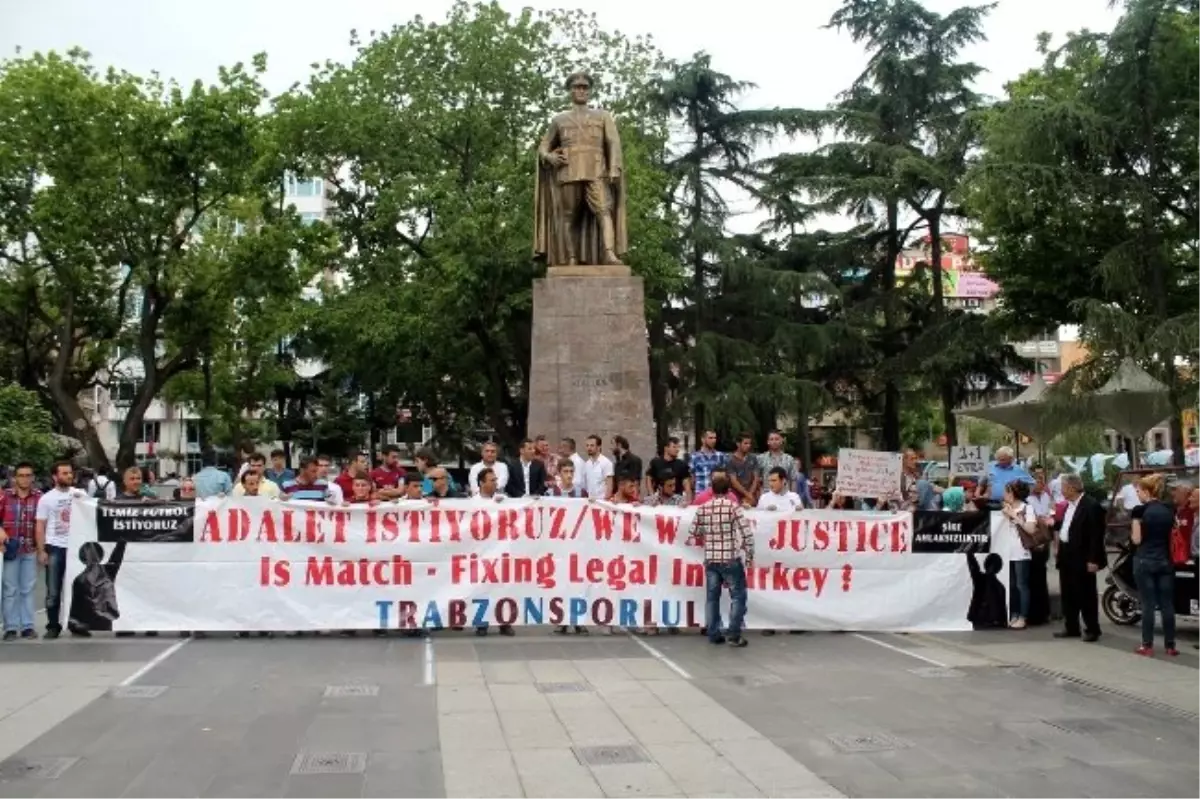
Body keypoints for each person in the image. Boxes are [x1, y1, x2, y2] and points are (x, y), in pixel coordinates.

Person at [687, 474, 754, 648]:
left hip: (711, 559)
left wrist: (708, 534)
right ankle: (733, 634)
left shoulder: (703, 508)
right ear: (729, 490)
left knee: (712, 598)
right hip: (730, 557)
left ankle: (713, 633)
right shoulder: (733, 507)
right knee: (738, 596)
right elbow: (746, 533)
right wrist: (750, 556)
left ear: (712, 490)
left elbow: (693, 531)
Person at [1053, 473, 1107, 642]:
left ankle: (1092, 628)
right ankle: (1071, 626)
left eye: (1063, 487)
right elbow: (1066, 526)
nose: (1061, 490)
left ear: (1072, 487)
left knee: (1086, 593)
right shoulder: (1069, 505)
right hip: (1067, 553)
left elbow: (1096, 535)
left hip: (1083, 556)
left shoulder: (1090, 505)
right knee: (1068, 592)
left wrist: (1093, 559)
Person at [1129, 474, 1178, 656]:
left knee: (1148, 604)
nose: (1138, 494)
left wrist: (1135, 520)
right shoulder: (1169, 509)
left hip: (1144, 561)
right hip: (1165, 560)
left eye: (1139, 490)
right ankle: (1170, 645)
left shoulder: (1140, 511)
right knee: (1167, 604)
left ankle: (1147, 645)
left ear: (1147, 492)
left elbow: (1136, 539)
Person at [35, 461, 83, 639]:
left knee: (78, 588)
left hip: (77, 547)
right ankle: (53, 625)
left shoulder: (80, 494)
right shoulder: (46, 499)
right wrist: (41, 550)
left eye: (70, 473)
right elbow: (40, 525)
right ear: (55, 476)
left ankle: (77, 623)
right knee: (53, 590)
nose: (69, 476)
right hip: (55, 547)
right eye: (64, 473)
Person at [1, 462, 41, 641]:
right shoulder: (5, 497)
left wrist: (42, 548)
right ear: (14, 478)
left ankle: (27, 626)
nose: (25, 479)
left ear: (32, 478)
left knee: (27, 588)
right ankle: (10, 627)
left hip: (30, 548)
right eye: (21, 475)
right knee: (10, 589)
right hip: (10, 549)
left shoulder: (39, 497)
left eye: (28, 475)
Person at [67, 541, 126, 636]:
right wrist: (123, 541)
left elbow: (75, 609)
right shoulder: (108, 572)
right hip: (105, 623)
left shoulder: (79, 580)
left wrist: (72, 625)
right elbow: (117, 556)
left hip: (87, 626)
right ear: (101, 556)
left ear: (82, 558)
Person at [999, 481, 1034, 629]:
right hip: (1007, 552)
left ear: (1013, 493)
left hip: (1021, 551)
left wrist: (1014, 516)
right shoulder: (1004, 508)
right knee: (1011, 585)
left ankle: (1023, 616)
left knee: (1021, 585)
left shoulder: (1027, 508)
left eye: (1007, 492)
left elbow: (1031, 529)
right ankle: (1013, 613)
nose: (1004, 495)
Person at [726, 433, 760, 505]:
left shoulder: (753, 458)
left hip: (752, 495)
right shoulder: (731, 460)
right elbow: (734, 482)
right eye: (745, 443)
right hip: (736, 496)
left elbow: (756, 478)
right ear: (738, 444)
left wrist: (750, 494)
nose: (748, 446)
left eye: (749, 443)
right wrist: (747, 494)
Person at [689, 429, 725, 494]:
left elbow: (724, 477)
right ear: (703, 439)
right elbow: (692, 479)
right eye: (710, 438)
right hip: (700, 493)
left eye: (715, 438)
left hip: (716, 494)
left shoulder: (720, 456)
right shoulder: (694, 456)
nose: (714, 440)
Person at [580, 435, 613, 500]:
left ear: (599, 447)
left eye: (592, 445)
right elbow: (586, 485)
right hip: (590, 501)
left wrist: (605, 501)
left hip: (602, 502)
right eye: (587, 445)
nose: (589, 448)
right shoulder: (587, 464)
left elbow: (609, 486)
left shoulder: (606, 463)